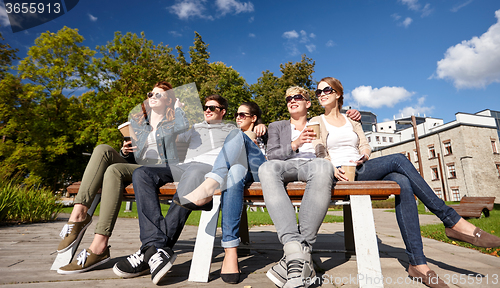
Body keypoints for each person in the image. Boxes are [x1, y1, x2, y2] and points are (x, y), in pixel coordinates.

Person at [311, 76, 500, 288]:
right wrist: (331, 167)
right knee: (398, 159)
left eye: (326, 90)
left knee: (402, 181)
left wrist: (364, 156)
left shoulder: (352, 120)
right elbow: (319, 149)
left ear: (337, 94)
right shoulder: (316, 121)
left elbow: (364, 145)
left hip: (361, 167)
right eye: (318, 92)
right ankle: (451, 220)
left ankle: (418, 264)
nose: (322, 95)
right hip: (341, 175)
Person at [112, 95, 267, 285]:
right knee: (142, 174)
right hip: (183, 165)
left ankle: (151, 250)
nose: (207, 110)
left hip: (207, 168)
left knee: (193, 174)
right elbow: (172, 138)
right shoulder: (195, 127)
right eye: (205, 107)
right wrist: (177, 114)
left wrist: (261, 125)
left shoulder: (231, 128)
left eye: (212, 107)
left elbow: (249, 142)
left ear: (223, 111)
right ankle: (155, 248)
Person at [56, 81, 189, 274]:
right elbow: (134, 156)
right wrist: (126, 151)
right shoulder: (140, 124)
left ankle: (98, 246)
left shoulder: (173, 120)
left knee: (114, 171)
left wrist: (178, 110)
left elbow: (181, 131)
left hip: (161, 168)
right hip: (139, 166)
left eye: (159, 95)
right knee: (102, 149)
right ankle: (78, 216)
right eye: (150, 93)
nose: (152, 97)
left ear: (169, 100)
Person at [174, 101, 267, 284]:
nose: (238, 118)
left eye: (243, 115)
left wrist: (260, 129)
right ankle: (230, 251)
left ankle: (210, 184)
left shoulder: (264, 131)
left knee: (237, 134)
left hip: (260, 170)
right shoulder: (231, 134)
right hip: (239, 171)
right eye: (237, 115)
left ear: (254, 118)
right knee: (234, 171)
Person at [257, 86, 335, 288]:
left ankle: (296, 254)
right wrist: (295, 143)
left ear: (308, 103)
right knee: (266, 168)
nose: (292, 100)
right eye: (288, 98)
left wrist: (355, 116)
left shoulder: (320, 122)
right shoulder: (277, 126)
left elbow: (341, 127)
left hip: (313, 164)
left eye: (297, 97)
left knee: (323, 166)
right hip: (286, 164)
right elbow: (272, 155)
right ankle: (297, 247)